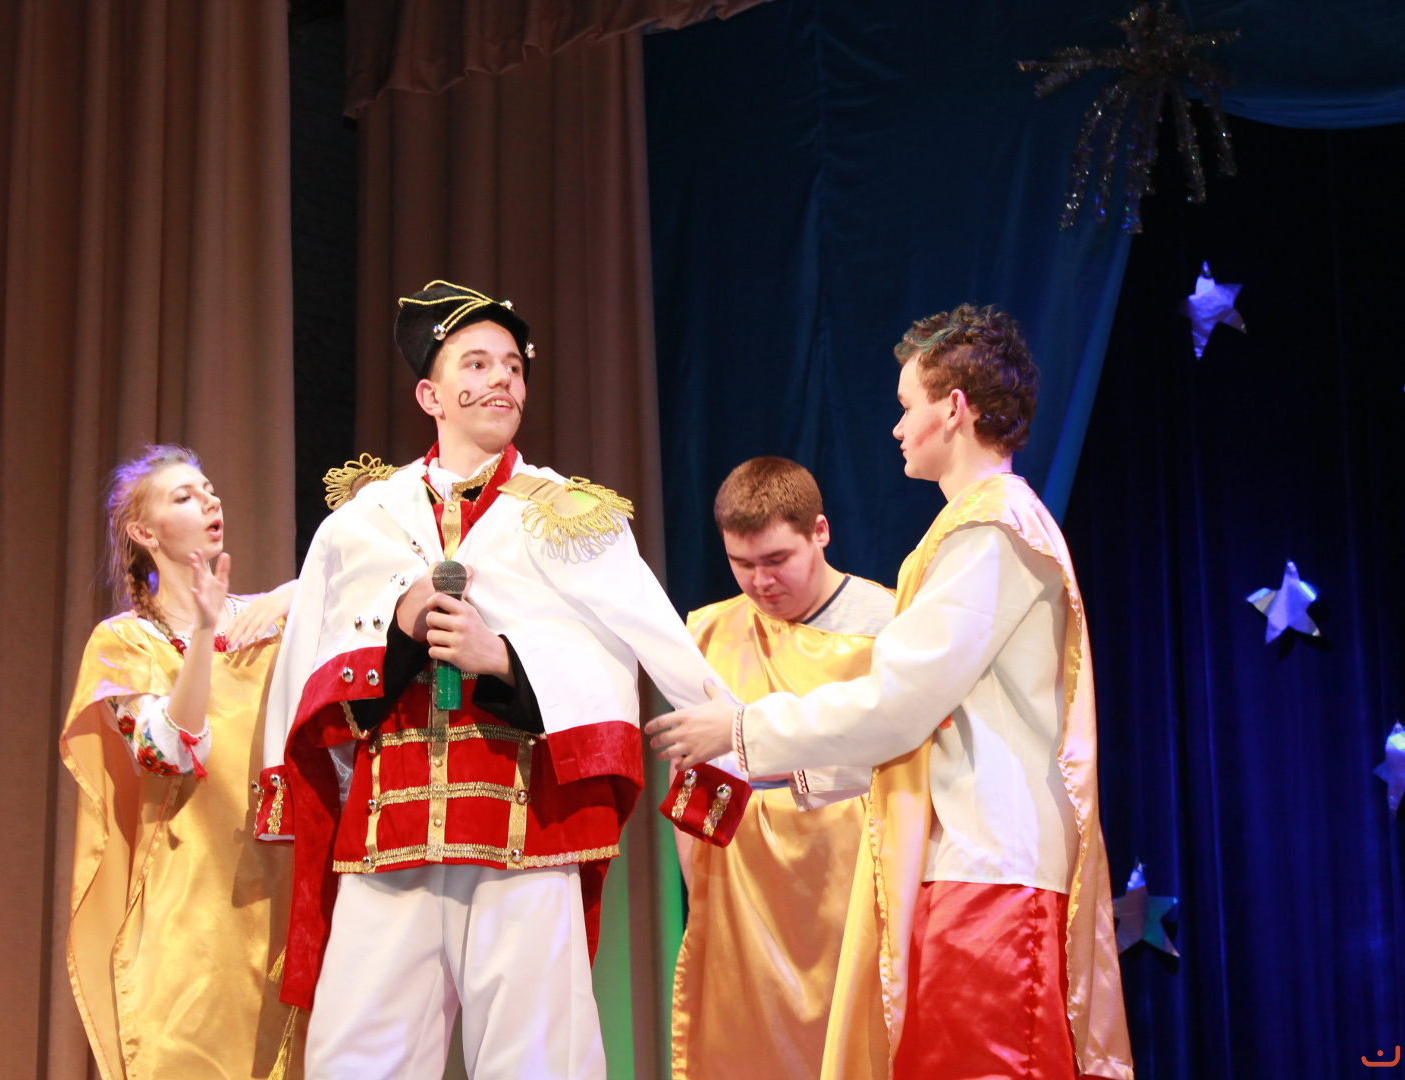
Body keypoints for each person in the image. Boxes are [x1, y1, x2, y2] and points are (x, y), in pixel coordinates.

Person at [648, 305, 1134, 1080]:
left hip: (989, 870)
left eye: (908, 406)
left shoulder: (991, 529)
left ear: (954, 408)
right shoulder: (973, 528)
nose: (899, 428)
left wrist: (742, 731)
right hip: (966, 865)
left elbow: (900, 705)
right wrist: (788, 770)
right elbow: (932, 727)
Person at [257, 281, 724, 1080]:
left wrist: (503, 656)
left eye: (513, 365)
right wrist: (395, 617)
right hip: (389, 833)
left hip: (525, 832)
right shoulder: (363, 522)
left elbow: (642, 646)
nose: (502, 378)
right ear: (430, 395)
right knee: (357, 1058)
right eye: (476, 363)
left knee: (537, 1059)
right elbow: (314, 656)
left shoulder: (570, 517)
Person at [60, 444, 302, 1080]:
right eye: (184, 496)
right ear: (145, 533)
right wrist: (201, 632)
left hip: (280, 889)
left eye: (210, 490)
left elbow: (375, 597)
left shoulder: (272, 619)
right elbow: (167, 753)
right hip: (189, 904)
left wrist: (297, 590)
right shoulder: (125, 641)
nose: (209, 501)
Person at [671, 456, 895, 1080]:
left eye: (776, 560)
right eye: (741, 564)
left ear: (820, 532)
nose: (760, 582)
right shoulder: (710, 633)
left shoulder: (888, 627)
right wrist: (703, 891)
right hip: (743, 906)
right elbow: (693, 775)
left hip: (851, 895)